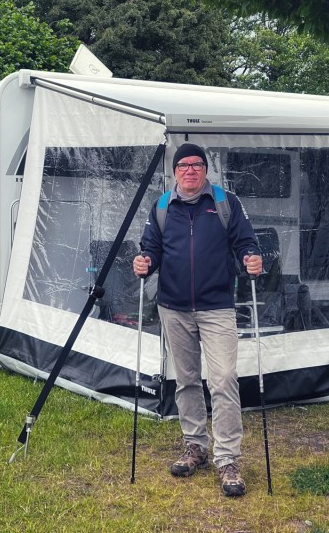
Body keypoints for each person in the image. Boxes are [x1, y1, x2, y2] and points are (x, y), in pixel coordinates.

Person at [133, 143, 262, 497]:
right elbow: (151, 248)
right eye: (183, 165)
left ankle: (228, 458)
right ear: (175, 171)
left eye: (196, 165)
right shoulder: (162, 206)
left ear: (206, 169)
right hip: (173, 308)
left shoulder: (224, 202)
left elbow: (246, 242)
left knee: (224, 379)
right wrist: (144, 261)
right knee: (186, 380)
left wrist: (252, 257)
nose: (190, 170)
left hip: (216, 307)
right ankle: (195, 446)